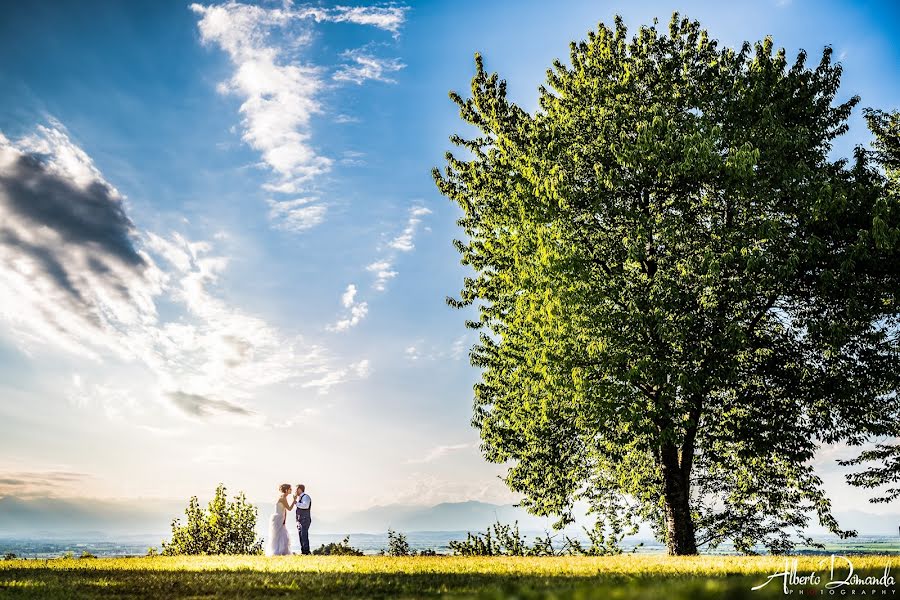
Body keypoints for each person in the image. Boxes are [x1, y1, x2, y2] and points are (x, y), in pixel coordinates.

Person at [265, 483, 295, 556]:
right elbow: (289, 508)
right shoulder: (283, 498)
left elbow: (285, 510)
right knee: (279, 535)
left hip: (280, 517)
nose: (291, 490)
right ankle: (278, 551)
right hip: (279, 518)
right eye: (290, 489)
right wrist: (294, 500)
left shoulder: (283, 497)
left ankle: (281, 551)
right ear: (286, 490)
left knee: (281, 535)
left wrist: (285, 519)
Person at [294, 483, 312, 555]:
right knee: (301, 536)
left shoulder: (306, 497)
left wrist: (296, 503)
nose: (295, 492)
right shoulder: (300, 498)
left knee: (304, 535)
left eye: (296, 490)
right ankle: (303, 552)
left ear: (299, 489)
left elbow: (306, 506)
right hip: (300, 520)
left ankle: (306, 552)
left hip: (305, 519)